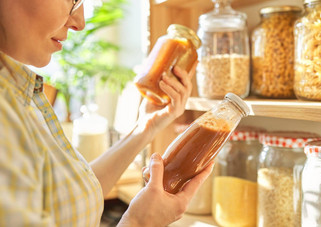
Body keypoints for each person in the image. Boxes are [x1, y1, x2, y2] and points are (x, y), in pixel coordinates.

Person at [0, 0, 214, 226]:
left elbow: (71, 197)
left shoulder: (17, 91)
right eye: (72, 0)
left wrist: (145, 127)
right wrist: (139, 222)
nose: (79, 22)